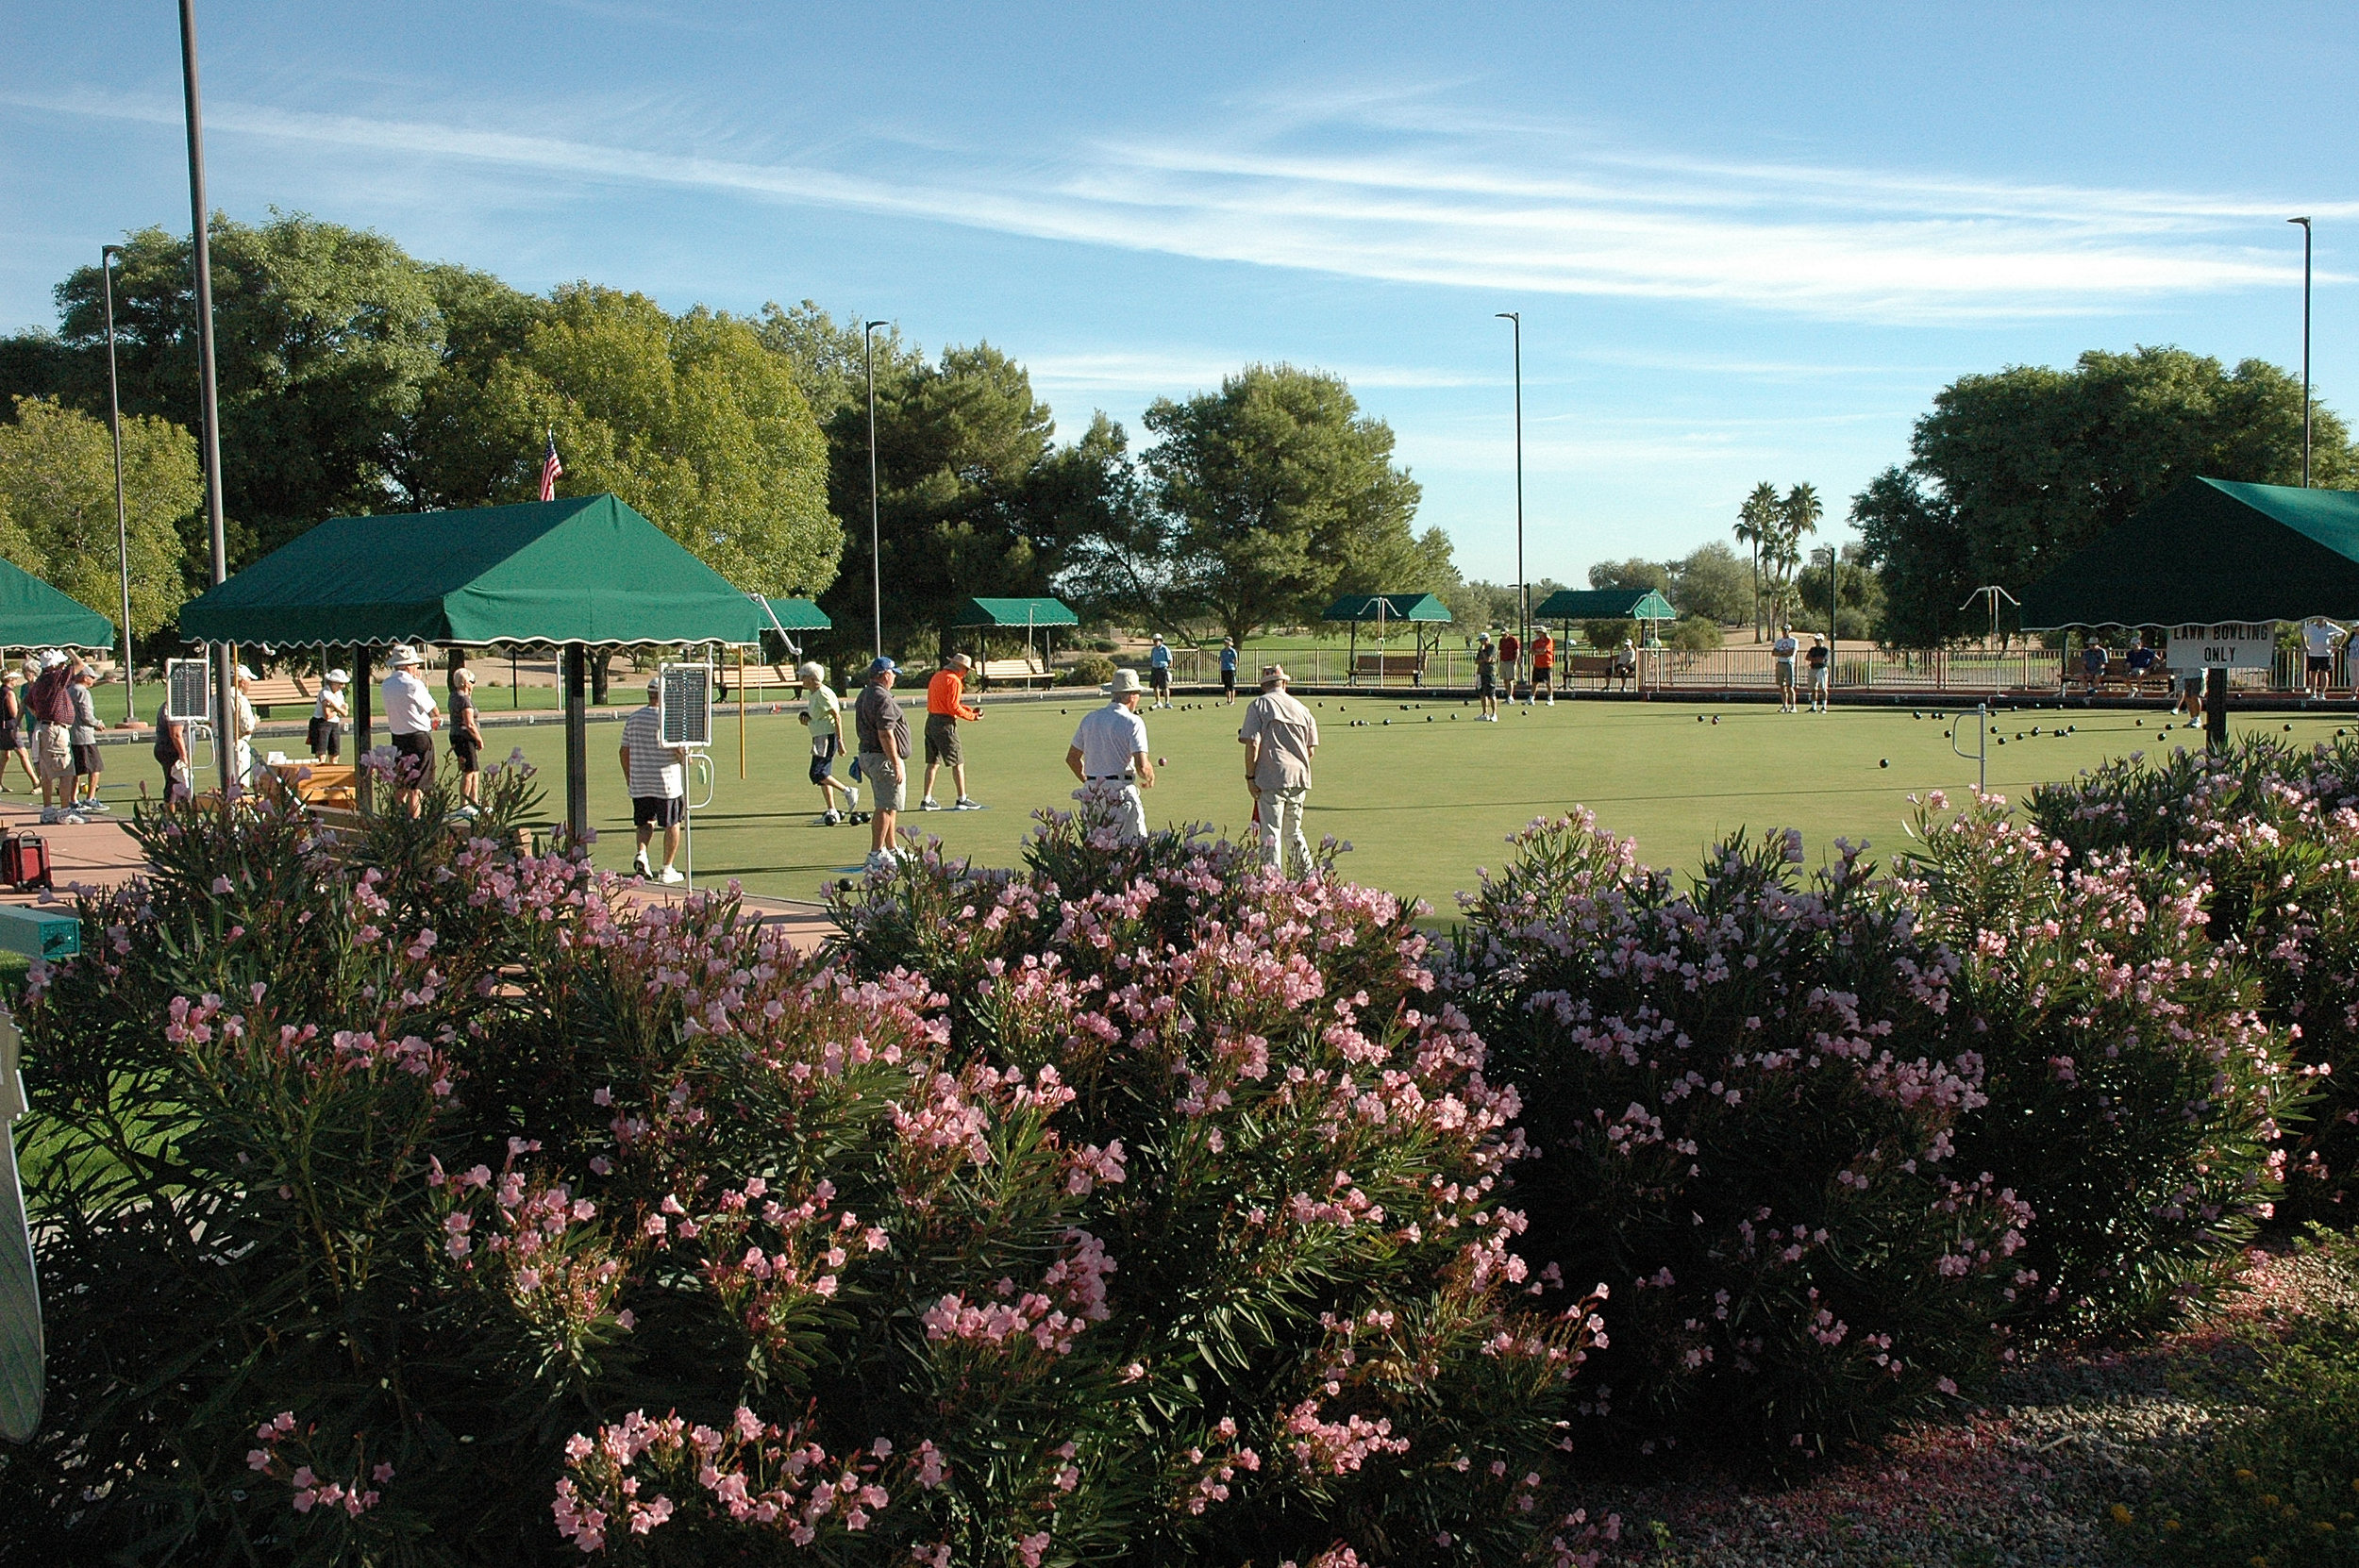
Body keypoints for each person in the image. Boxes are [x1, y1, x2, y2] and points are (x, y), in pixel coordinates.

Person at [1239, 663, 1319, 876]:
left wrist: (1250, 776)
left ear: (1264, 686)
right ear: (1284, 683)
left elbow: (1252, 744)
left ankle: (1270, 883)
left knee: (1271, 832)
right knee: (1293, 831)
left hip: (1271, 777)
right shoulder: (1303, 709)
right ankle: (1308, 877)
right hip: (1299, 778)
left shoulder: (1259, 705)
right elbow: (1310, 750)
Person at [1065, 668, 1154, 840]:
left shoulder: (1089, 718)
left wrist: (1090, 781)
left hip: (1093, 794)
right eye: (1138, 694)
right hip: (1120, 792)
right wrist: (1150, 776)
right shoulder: (1133, 722)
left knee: (1097, 852)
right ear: (1131, 696)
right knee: (1132, 847)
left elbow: (1072, 758)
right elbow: (1142, 767)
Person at [618, 675, 687, 883]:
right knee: (672, 823)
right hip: (666, 782)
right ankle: (667, 868)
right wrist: (687, 758)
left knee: (644, 822)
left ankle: (642, 853)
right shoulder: (670, 718)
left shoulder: (634, 718)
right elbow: (680, 751)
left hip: (641, 781)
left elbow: (623, 751)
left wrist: (630, 777)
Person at [853, 657, 909, 874]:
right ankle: (876, 854)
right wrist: (896, 762)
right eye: (893, 673)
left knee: (890, 803)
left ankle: (891, 848)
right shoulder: (882, 697)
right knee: (885, 806)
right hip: (881, 757)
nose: (894, 677)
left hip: (870, 755)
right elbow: (885, 734)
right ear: (885, 674)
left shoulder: (865, 693)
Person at [919, 652, 984, 811]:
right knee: (958, 762)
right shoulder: (954, 681)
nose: (967, 673)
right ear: (960, 667)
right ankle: (962, 798)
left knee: (932, 763)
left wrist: (967, 710)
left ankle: (926, 799)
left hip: (931, 721)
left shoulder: (937, 676)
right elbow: (952, 707)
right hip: (945, 724)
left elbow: (946, 703)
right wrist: (972, 717)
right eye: (966, 670)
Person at [795, 661, 859, 825]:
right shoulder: (813, 693)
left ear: (811, 678)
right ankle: (832, 810)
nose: (801, 679)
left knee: (817, 773)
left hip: (827, 737)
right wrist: (807, 721)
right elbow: (818, 717)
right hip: (819, 736)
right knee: (824, 774)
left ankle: (848, 790)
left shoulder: (823, 693)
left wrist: (840, 741)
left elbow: (836, 716)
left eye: (803, 676)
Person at [380, 646, 439, 815]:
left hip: (398, 738)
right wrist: (421, 684)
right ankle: (414, 823)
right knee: (416, 788)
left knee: (400, 784)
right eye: (415, 665)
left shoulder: (386, 684)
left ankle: (398, 819)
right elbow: (434, 710)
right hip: (418, 738)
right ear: (408, 666)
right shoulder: (413, 684)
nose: (417, 668)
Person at [67, 661, 106, 812]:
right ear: (84, 677)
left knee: (76, 770)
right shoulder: (83, 692)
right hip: (84, 735)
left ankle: (72, 799)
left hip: (72, 734)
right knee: (95, 767)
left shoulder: (69, 689)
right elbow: (86, 716)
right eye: (91, 677)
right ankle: (90, 798)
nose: (93, 680)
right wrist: (98, 724)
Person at [449, 667, 484, 812]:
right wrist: (479, 739)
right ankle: (463, 804)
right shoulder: (463, 699)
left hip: (457, 736)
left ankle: (474, 801)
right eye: (472, 681)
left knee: (474, 769)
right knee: (469, 771)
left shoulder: (454, 696)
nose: (473, 684)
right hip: (464, 737)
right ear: (465, 682)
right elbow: (469, 723)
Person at [153, 694, 192, 805]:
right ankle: (170, 814)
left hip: (169, 750)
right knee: (174, 783)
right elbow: (176, 734)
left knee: (181, 782)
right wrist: (183, 756)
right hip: (171, 751)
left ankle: (178, 809)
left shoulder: (177, 705)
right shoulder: (177, 705)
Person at [310, 668, 350, 760]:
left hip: (334, 723)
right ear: (333, 682)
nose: (343, 686)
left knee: (335, 753)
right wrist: (340, 710)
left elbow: (345, 712)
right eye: (340, 683)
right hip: (321, 723)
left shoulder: (340, 694)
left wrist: (335, 708)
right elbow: (327, 715)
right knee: (321, 753)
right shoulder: (325, 693)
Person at [2301, 617, 2346, 698]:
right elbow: (2302, 633)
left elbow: (2344, 633)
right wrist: (2305, 646)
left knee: (2324, 673)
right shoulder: (2311, 627)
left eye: (2321, 617)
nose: (2320, 619)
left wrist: (2339, 646)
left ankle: (2322, 693)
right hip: (2313, 654)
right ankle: (2313, 694)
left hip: (2326, 654)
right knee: (2313, 673)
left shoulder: (2330, 627)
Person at [0, 669, 29, 792]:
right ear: (10, 679)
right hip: (10, 727)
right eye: (15, 678)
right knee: (23, 754)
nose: (17, 680)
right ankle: (36, 781)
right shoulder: (9, 693)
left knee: (5, 755)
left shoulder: (1, 691)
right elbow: (14, 713)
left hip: (2, 727)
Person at [1771, 626, 1799, 711]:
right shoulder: (1779, 641)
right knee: (1781, 686)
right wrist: (1783, 653)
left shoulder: (1793, 641)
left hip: (1788, 664)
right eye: (1783, 630)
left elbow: (1790, 653)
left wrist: (1781, 653)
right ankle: (1784, 705)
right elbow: (1774, 653)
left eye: (1785, 630)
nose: (1784, 631)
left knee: (1789, 686)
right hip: (1780, 664)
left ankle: (1793, 706)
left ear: (1789, 631)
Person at [1528, 625, 1554, 706]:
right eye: (1538, 632)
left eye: (1540, 632)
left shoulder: (1549, 640)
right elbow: (1531, 651)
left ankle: (1550, 699)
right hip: (1537, 664)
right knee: (1535, 682)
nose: (1538, 633)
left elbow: (1544, 650)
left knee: (1548, 682)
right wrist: (1537, 652)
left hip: (1546, 664)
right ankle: (1531, 698)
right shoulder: (1536, 642)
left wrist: (1537, 652)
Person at [1474, 633, 1498, 721]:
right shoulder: (1480, 649)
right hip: (1481, 673)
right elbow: (1476, 661)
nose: (1481, 642)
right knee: (1482, 694)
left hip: (1490, 673)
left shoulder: (1492, 647)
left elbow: (1488, 659)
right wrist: (1482, 658)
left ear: (1487, 639)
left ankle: (1494, 714)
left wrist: (1483, 652)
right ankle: (1484, 714)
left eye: (1482, 640)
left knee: (1491, 694)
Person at [1805, 634, 1832, 713]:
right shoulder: (1812, 649)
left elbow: (1822, 660)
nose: (1816, 642)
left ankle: (1824, 706)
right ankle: (1814, 707)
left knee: (1823, 688)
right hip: (1813, 669)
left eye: (1817, 640)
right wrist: (1815, 659)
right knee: (1813, 689)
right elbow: (1807, 657)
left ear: (1821, 640)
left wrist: (1814, 659)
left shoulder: (1825, 650)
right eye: (1815, 640)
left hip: (1821, 669)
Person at [1147, 633, 1173, 709]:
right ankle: (1158, 702)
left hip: (1163, 669)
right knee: (1155, 686)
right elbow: (1152, 659)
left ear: (1161, 641)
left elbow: (1170, 660)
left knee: (1165, 686)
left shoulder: (1165, 649)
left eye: (1157, 641)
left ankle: (1167, 702)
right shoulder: (1153, 650)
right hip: (1155, 669)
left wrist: (1168, 668)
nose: (1155, 642)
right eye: (1154, 641)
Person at [1497, 627, 1522, 704]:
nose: (1503, 635)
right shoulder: (1501, 640)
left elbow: (1517, 651)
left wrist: (1515, 661)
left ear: (1508, 633)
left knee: (1510, 679)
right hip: (1503, 661)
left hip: (1510, 661)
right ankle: (1508, 696)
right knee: (1505, 680)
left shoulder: (1513, 639)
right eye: (1502, 634)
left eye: (1504, 634)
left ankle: (1510, 697)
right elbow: (1500, 650)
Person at [1219, 637, 1239, 704]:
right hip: (1224, 669)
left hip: (1231, 669)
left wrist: (1235, 668)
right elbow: (1221, 660)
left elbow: (1236, 660)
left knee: (1231, 685)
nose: (1225, 644)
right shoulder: (1222, 651)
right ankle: (1228, 700)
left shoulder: (1232, 651)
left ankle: (1232, 701)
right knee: (1226, 686)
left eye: (1227, 642)